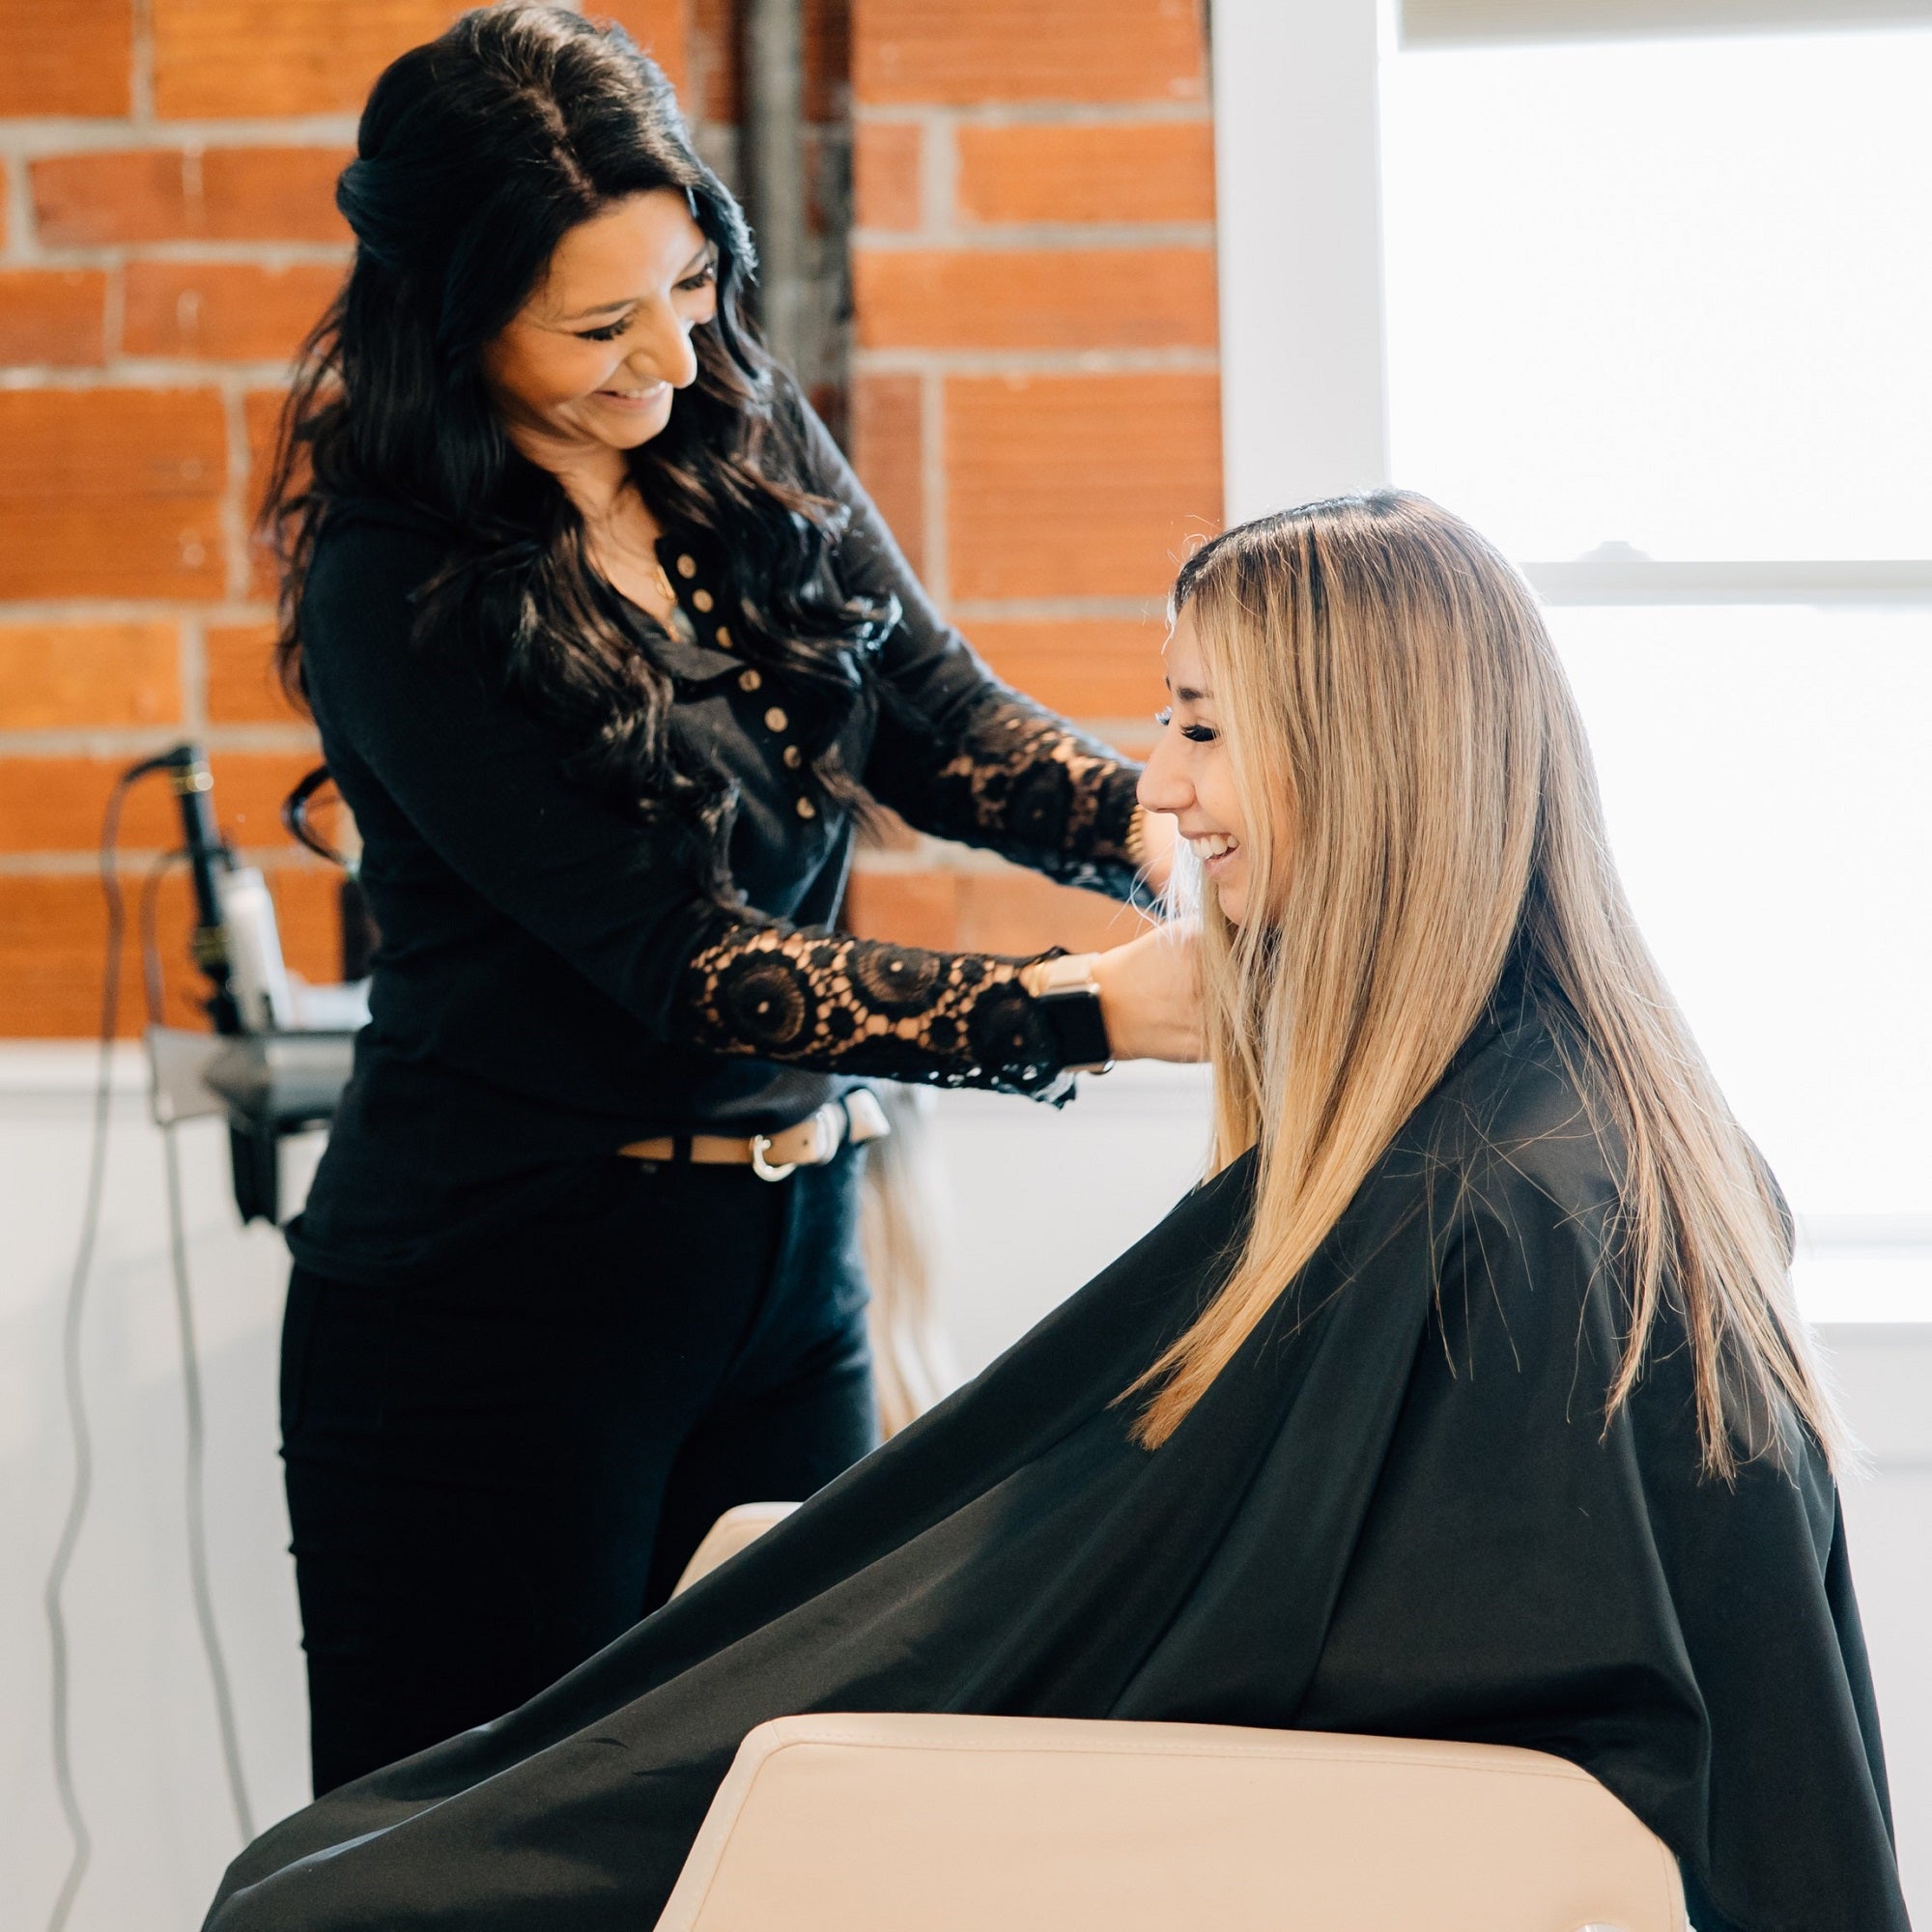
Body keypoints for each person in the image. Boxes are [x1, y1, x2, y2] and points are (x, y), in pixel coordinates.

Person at [210, 495, 1909, 1932]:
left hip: (1168, 1820)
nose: (1156, 788)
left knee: (338, 1898)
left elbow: (1441, 1720)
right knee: (352, 1862)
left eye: (1201, 724)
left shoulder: (1504, 1217)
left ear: (1371, 759)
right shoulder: (1545, 1134)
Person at [265, 3, 1198, 1798]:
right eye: (596, 326)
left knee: (784, 1821)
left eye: (688, 288)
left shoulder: (737, 431)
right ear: (451, 316)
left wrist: (1165, 827)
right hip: (495, 1303)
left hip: (783, 1271)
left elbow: (945, 723)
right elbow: (688, 964)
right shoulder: (393, 583)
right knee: (481, 1859)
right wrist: (1084, 1006)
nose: (668, 361)